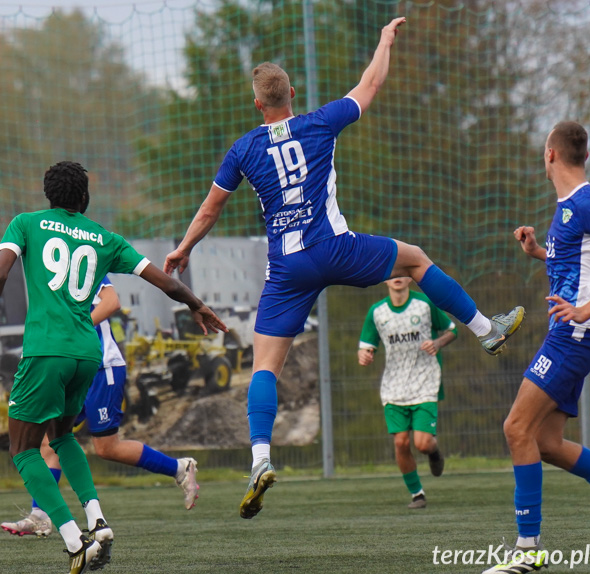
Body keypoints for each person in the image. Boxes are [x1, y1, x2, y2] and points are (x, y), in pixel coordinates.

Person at [162, 17, 524, 520]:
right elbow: (371, 84)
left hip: (286, 268)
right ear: (292, 92)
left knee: (264, 366)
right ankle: (487, 329)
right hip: (336, 248)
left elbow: (209, 210)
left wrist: (183, 249)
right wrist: (383, 40)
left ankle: (260, 460)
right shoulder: (319, 121)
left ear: (257, 105)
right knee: (416, 258)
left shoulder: (243, 149)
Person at [0, 161, 226, 574]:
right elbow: (164, 282)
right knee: (63, 436)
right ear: (84, 198)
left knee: (23, 449)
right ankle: (97, 522)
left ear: (48, 194)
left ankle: (73, 540)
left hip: (45, 351)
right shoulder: (105, 238)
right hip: (89, 354)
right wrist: (196, 304)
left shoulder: (26, 223)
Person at [481, 122, 590, 574]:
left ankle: (528, 550)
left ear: (551, 154)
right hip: (570, 334)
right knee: (546, 443)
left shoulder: (587, 202)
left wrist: (587, 310)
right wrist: (538, 253)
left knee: (516, 428)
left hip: (575, 336)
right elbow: (578, 260)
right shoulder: (568, 207)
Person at [0, 276, 200, 538]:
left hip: (102, 367)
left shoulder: (85, 264)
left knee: (106, 448)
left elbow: (111, 302)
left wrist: (74, 328)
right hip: (72, 368)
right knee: (50, 441)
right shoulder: (52, 269)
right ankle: (40, 514)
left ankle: (179, 468)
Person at [358, 277, 457, 509]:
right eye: (392, 273)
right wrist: (364, 356)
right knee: (401, 442)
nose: (397, 277)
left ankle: (434, 453)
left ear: (410, 277)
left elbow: (453, 330)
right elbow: (365, 347)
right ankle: (417, 494)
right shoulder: (377, 312)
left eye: (402, 271)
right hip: (394, 386)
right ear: (384, 279)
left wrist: (438, 343)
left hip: (425, 381)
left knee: (422, 443)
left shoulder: (424, 304)